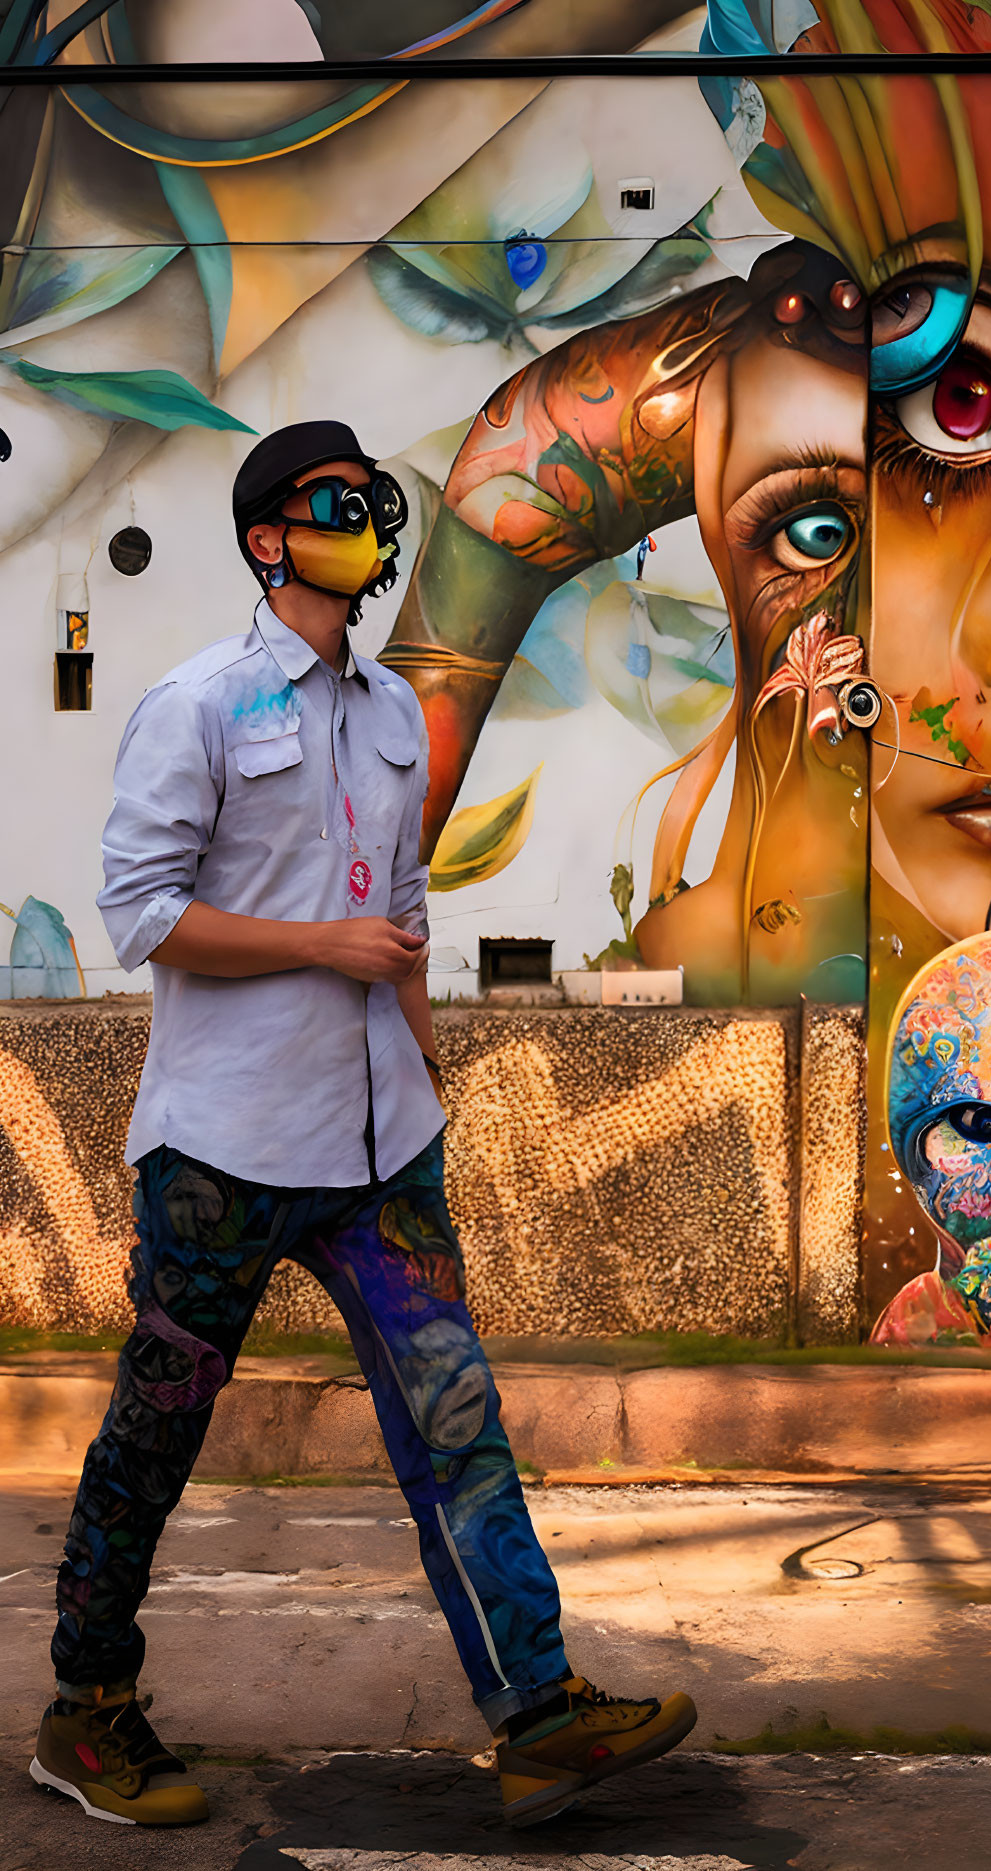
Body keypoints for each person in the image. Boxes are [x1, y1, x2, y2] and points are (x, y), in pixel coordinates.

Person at [29, 419, 696, 1831]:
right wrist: (314, 947)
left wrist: (430, 1082)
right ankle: (87, 1710)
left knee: (459, 1422)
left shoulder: (396, 715)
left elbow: (400, 924)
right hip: (220, 1153)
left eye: (369, 504)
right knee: (157, 1433)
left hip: (381, 1152)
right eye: (332, 506)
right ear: (267, 537)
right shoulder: (195, 704)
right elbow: (143, 912)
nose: (360, 524)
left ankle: (538, 1712)